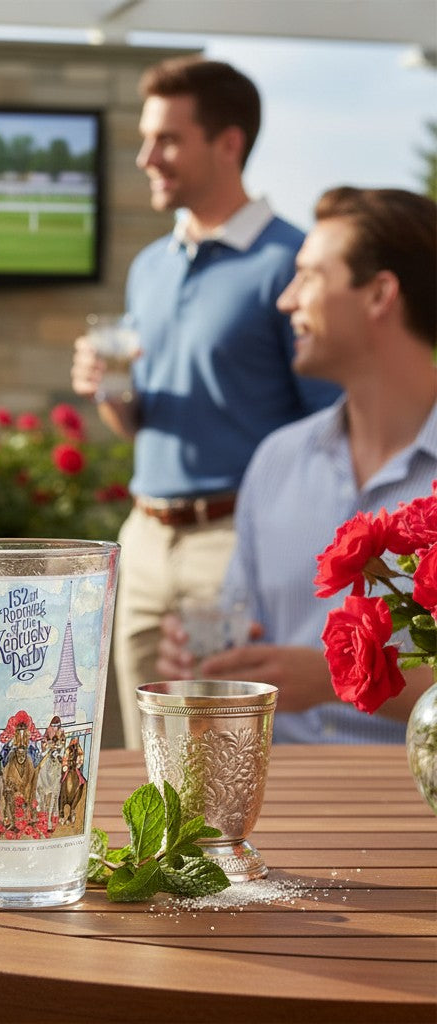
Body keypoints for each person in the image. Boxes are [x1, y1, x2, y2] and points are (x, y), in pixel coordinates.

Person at [70, 56, 340, 748]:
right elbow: (137, 421)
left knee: (219, 750)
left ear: (228, 142)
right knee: (142, 751)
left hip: (234, 540)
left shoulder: (292, 263)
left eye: (166, 140)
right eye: (145, 139)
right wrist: (110, 386)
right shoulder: (149, 267)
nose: (145, 157)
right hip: (145, 536)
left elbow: (328, 427)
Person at [157, 186, 437, 743]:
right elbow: (245, 628)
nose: (286, 300)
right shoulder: (277, 460)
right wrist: (207, 659)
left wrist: (339, 680)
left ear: (380, 293)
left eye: (309, 277)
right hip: (277, 798)